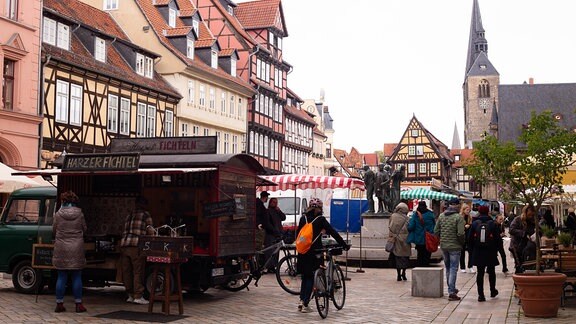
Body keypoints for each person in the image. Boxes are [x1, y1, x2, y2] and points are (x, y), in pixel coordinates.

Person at [297, 197, 349, 313]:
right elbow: (333, 232)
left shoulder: (303, 218)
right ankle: (305, 303)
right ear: (320, 208)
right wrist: (343, 244)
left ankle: (301, 301)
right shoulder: (320, 220)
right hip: (315, 252)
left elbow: (298, 234)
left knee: (305, 277)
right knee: (311, 276)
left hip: (302, 251)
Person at [52, 191, 87, 313]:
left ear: (63, 201)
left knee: (61, 276)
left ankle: (59, 304)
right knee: (77, 276)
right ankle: (78, 304)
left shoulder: (58, 214)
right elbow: (84, 228)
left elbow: (54, 229)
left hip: (61, 247)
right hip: (76, 247)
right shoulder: (80, 213)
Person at [120, 196, 153, 305]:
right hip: (136, 245)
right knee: (138, 271)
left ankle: (129, 295)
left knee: (127, 271)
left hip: (125, 244)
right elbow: (150, 231)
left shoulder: (130, 214)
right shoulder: (145, 215)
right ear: (144, 205)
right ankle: (138, 296)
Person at [468, 205, 502, 302]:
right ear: (488, 212)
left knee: (480, 273)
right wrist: (498, 250)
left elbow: (470, 239)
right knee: (491, 272)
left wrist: (472, 250)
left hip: (478, 251)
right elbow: (498, 239)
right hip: (490, 251)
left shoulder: (474, 223)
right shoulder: (492, 224)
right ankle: (492, 291)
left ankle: (481, 295)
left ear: (479, 212)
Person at [434, 197, 465, 301]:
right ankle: (451, 291)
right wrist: (462, 242)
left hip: (444, 246)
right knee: (453, 268)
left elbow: (436, 230)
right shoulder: (458, 217)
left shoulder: (441, 216)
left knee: (448, 268)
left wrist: (441, 239)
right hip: (455, 246)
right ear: (457, 205)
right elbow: (461, 233)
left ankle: (451, 288)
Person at [508, 205, 536, 274]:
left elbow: (538, 229)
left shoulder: (532, 221)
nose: (531, 216)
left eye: (532, 215)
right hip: (517, 246)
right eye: (529, 215)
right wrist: (524, 234)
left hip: (527, 247)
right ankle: (518, 281)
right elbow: (511, 230)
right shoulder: (518, 219)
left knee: (526, 264)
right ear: (525, 212)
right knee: (519, 265)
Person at [407, 201, 436, 267]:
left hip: (419, 239)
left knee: (420, 255)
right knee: (427, 255)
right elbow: (435, 226)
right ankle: (426, 267)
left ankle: (420, 269)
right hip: (429, 239)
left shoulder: (416, 215)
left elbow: (411, 227)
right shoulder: (430, 214)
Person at [389, 202, 411, 281]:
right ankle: (404, 273)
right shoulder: (407, 218)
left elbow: (390, 227)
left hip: (396, 239)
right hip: (406, 239)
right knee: (405, 257)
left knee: (397, 257)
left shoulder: (393, 216)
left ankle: (398, 274)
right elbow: (410, 227)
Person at [263, 197, 286, 272]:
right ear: (270, 203)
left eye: (276, 202)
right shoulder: (267, 211)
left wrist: (279, 211)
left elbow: (283, 218)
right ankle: (269, 267)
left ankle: (274, 266)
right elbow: (267, 223)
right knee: (270, 251)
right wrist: (274, 230)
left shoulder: (277, 211)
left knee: (276, 251)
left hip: (278, 234)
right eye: (274, 202)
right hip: (271, 234)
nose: (275, 203)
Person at [459, 203, 475, 274]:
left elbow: (473, 226)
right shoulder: (460, 217)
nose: (468, 211)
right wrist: (464, 226)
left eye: (469, 210)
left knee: (471, 252)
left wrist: (470, 226)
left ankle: (470, 266)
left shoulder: (470, 217)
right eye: (467, 210)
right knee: (462, 253)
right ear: (463, 210)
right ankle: (462, 267)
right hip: (462, 237)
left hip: (469, 237)